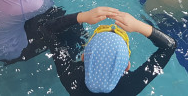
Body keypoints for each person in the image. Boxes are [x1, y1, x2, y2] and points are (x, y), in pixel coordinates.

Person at [40, 6, 176, 95]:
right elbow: (169, 45)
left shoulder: (71, 76)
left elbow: (47, 29)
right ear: (127, 66)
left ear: (83, 57)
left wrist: (82, 16)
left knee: (72, 31)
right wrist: (137, 25)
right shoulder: (130, 87)